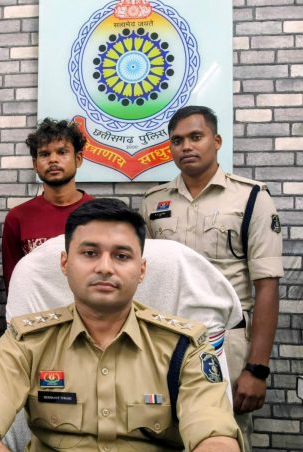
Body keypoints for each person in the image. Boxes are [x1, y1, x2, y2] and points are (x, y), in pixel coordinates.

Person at [0, 198, 242, 452]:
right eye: (90, 253)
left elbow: (216, 439)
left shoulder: (184, 347)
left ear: (141, 270)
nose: (104, 267)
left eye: (121, 256)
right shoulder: (25, 342)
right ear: (65, 264)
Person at [140, 105, 283, 450]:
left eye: (196, 137)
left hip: (224, 340)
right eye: (177, 140)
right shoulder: (153, 202)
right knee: (161, 432)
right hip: (165, 338)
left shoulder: (251, 197)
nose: (186, 146)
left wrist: (257, 368)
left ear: (216, 141)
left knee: (223, 433)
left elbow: (266, 286)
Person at [2, 118, 93, 289]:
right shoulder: (17, 217)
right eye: (44, 154)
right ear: (35, 164)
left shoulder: (101, 214)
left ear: (78, 159)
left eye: (62, 152)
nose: (53, 160)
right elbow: (14, 282)